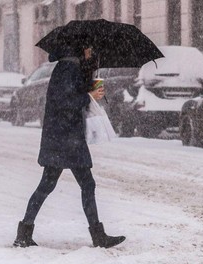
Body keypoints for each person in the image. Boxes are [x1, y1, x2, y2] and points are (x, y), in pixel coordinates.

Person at [13, 45, 125, 248]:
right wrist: (89, 95)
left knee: (53, 184)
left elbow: (71, 95)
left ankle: (24, 232)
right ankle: (97, 236)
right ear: (81, 49)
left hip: (62, 136)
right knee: (72, 184)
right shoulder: (67, 69)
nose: (92, 51)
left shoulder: (70, 68)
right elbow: (67, 102)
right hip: (65, 137)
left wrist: (90, 77)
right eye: (90, 48)